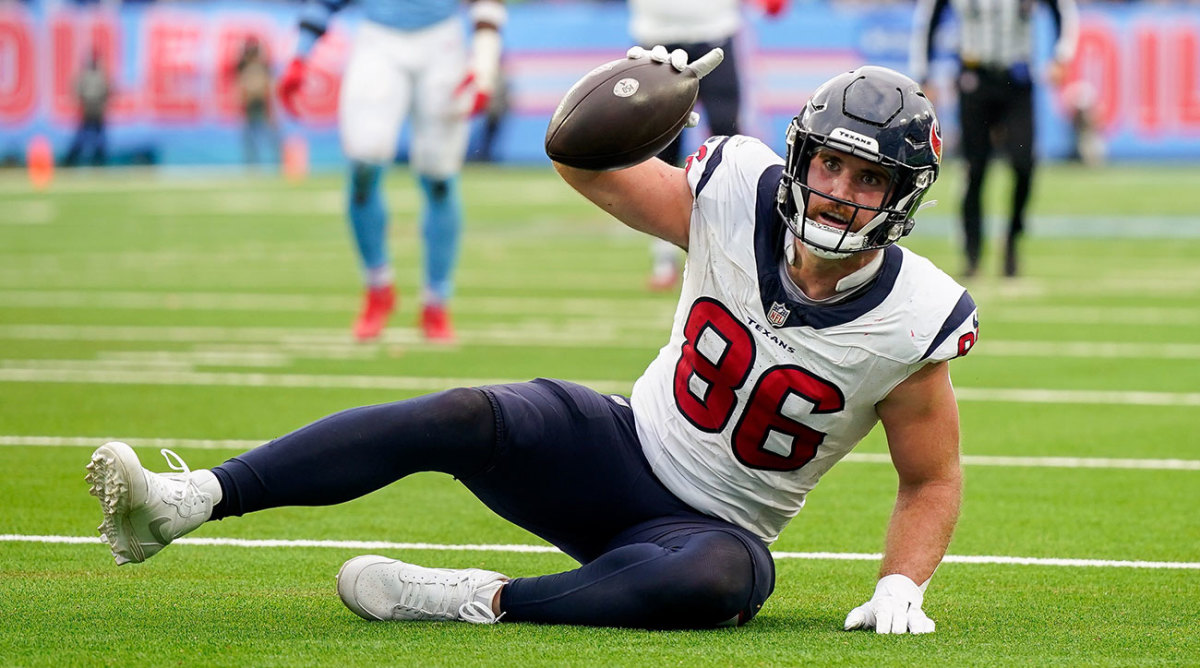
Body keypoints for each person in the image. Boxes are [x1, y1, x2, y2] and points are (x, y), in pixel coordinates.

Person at [86, 50, 979, 634]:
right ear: (801, 156)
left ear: (905, 195)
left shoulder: (913, 315)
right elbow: (582, 162)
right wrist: (630, 89)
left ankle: (475, 598)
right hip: (619, 446)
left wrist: (903, 583)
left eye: (870, 177)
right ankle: (187, 500)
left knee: (724, 583)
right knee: (467, 412)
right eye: (830, 163)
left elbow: (930, 476)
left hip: (710, 529)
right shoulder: (736, 188)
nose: (838, 191)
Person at [276, 0, 506, 342]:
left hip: (442, 42)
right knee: (364, 161)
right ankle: (377, 286)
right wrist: (300, 55)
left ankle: (436, 301)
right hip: (378, 39)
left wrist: (485, 63)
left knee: (439, 176)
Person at [910, 0, 1078, 278]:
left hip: (1017, 80)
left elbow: (1063, 9)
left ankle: (1012, 241)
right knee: (975, 170)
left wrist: (1061, 56)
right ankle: (973, 253)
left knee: (1024, 165)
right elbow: (928, 20)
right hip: (974, 78)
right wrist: (924, 74)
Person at [628, 0, 788, 292]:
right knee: (661, 150)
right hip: (657, 42)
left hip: (712, 35)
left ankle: (751, 247)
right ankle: (664, 259)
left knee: (732, 145)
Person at [234, 37, 281, 168]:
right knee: (249, 137)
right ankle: (252, 165)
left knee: (271, 136)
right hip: (249, 105)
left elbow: (269, 87)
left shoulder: (264, 67)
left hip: (262, 104)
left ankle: (277, 163)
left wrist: (272, 109)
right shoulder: (242, 67)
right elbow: (240, 88)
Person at [63, 48, 111, 168]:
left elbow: (108, 91)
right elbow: (77, 90)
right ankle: (71, 161)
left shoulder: (101, 74)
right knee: (81, 138)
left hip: (98, 111)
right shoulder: (86, 75)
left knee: (100, 140)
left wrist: (102, 102)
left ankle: (99, 161)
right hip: (87, 111)